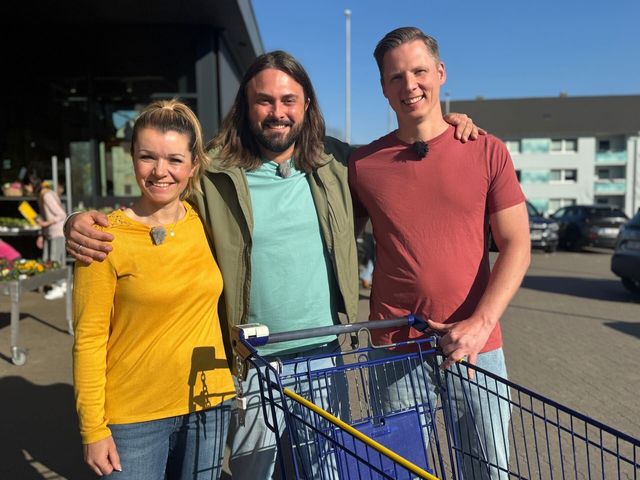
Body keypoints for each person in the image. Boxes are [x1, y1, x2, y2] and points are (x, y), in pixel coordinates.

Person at [65, 51, 481, 479]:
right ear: (246, 106)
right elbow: (158, 196)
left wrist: (445, 124)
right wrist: (75, 222)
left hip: (323, 357)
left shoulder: (337, 163)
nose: (277, 112)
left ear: (306, 105)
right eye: (264, 100)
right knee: (254, 474)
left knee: (324, 473)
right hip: (252, 365)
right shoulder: (213, 172)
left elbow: (402, 158)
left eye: (288, 100)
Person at [348, 27, 531, 479]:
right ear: (383, 87)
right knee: (399, 471)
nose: (409, 85)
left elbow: (517, 244)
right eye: (396, 76)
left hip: (475, 348)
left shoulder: (485, 150)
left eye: (419, 71)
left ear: (441, 72)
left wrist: (480, 324)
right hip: (395, 348)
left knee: (487, 472)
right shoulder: (362, 165)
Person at [72, 99, 235, 479]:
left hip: (210, 403)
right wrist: (92, 429)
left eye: (175, 159)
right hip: (134, 419)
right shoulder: (102, 238)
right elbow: (89, 339)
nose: (161, 171)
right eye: (148, 157)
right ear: (132, 158)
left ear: (193, 165)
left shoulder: (207, 223)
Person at [34, 178, 67, 299]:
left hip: (57, 232)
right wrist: (41, 234)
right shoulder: (45, 195)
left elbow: (62, 214)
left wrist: (46, 223)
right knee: (48, 261)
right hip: (49, 233)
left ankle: (60, 286)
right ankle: (58, 285)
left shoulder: (47, 195)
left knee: (54, 261)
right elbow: (45, 217)